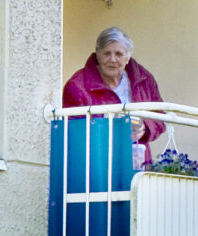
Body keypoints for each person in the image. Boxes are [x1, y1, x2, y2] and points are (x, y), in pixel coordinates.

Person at [61, 27, 166, 164]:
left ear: (128, 57)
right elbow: (72, 130)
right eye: (106, 53)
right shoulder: (78, 85)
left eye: (119, 54)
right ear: (97, 54)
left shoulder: (144, 80)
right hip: (96, 163)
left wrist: (144, 128)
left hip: (137, 160)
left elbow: (160, 116)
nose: (113, 59)